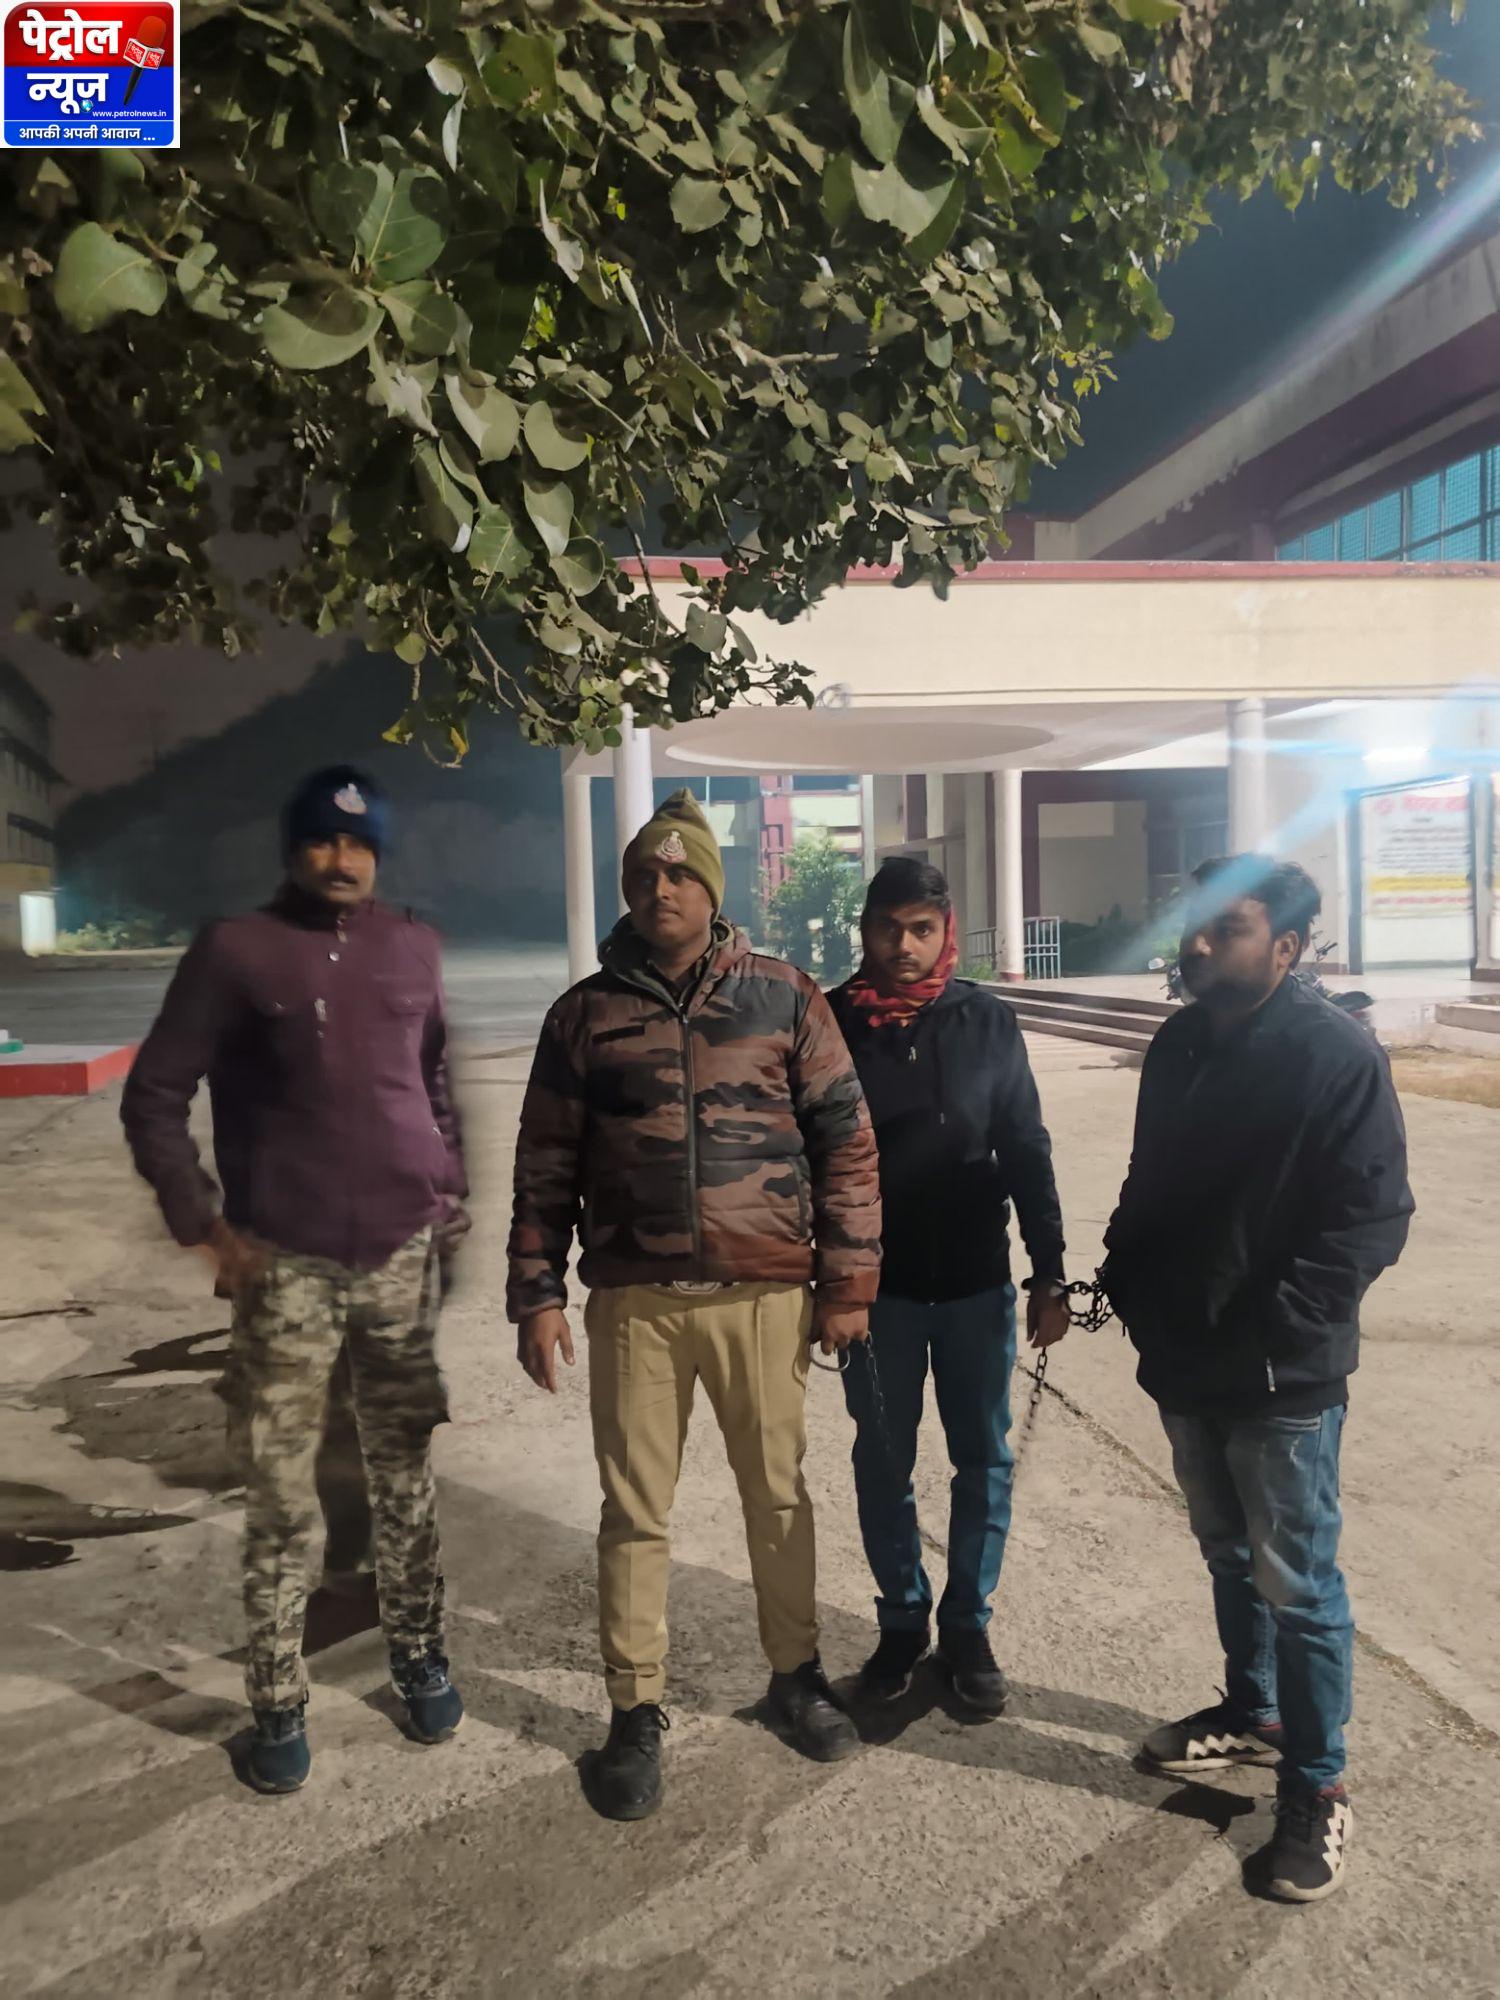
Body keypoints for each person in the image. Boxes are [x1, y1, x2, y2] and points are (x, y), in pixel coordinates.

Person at [508, 788, 882, 1820]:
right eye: (644, 873)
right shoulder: (583, 1015)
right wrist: (537, 1291)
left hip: (764, 1295)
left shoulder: (784, 997)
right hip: (637, 1301)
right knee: (634, 1509)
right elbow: (544, 1163)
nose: (660, 887)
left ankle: (795, 1674)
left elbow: (847, 1142)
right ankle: (634, 1708)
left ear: (712, 888)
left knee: (778, 1494)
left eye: (680, 872)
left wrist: (849, 1281)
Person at [122, 765, 468, 1794]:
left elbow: (434, 1080)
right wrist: (204, 1225)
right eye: (322, 839)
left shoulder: (413, 946)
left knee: (402, 1474)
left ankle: (420, 1654)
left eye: (359, 843)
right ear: (293, 848)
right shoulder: (236, 950)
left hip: (399, 1255)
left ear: (379, 853)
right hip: (285, 1269)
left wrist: (447, 1195)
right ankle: (277, 1698)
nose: (342, 858)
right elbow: (154, 1094)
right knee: (280, 1492)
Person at [1102, 855, 1412, 1904]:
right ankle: (1254, 1709)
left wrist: (1285, 1325)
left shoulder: (1335, 1055)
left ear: (1285, 947)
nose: (1197, 944)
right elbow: (1149, 1178)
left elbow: (1372, 1216)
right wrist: (1124, 1278)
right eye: (1195, 924)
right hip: (1184, 1357)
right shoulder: (1178, 1044)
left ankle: (1317, 1787)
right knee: (1228, 1553)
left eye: (1225, 929)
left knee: (1301, 1584)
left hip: (1281, 1376)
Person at [827, 858, 1070, 1714]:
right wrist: (821, 1281)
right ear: (866, 931)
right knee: (882, 1461)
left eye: (922, 929)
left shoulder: (985, 1020)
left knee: (983, 1460)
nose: (905, 945)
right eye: (889, 928)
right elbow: (804, 1155)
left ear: (945, 931)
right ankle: (902, 1623)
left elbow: (1025, 1145)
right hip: (874, 1295)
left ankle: (967, 1626)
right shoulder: (832, 1023)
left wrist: (1049, 1270)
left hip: (974, 1285)